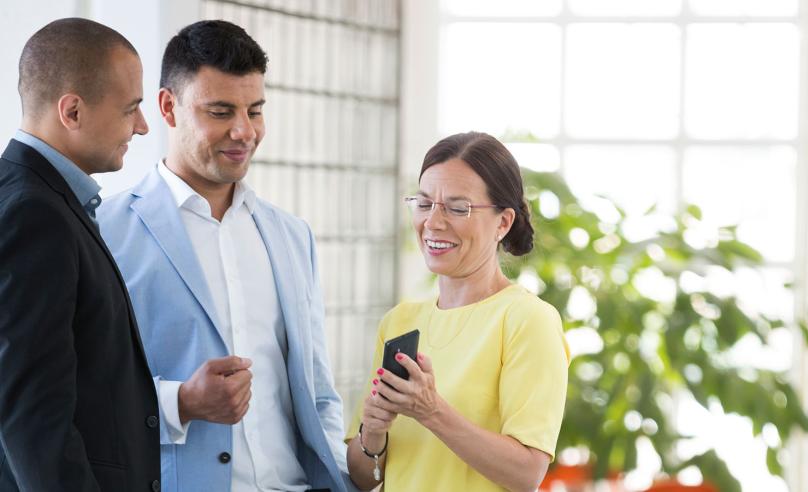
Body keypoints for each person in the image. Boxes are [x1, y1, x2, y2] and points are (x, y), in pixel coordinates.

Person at [98, 20, 352, 492]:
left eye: (255, 111)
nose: (244, 131)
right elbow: (76, 392)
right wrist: (181, 402)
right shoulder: (104, 233)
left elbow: (318, 395)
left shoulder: (292, 237)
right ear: (168, 108)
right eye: (220, 111)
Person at [346, 132, 570, 491]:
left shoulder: (527, 321)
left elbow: (527, 473)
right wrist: (372, 433)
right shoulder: (400, 321)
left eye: (457, 207)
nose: (433, 222)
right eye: (424, 203)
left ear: (503, 223)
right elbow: (363, 476)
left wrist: (432, 411)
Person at [0, 18, 160, 491]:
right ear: (71, 111)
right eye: (131, 108)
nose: (143, 126)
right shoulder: (33, 214)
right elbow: (33, 416)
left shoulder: (37, 198)